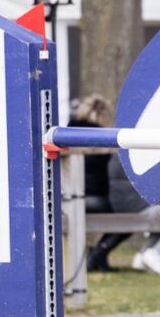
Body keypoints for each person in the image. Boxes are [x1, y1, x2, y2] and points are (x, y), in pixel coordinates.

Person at [68, 95, 123, 272]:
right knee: (127, 214)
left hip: (68, 196)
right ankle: (99, 252)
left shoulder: (68, 131)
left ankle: (97, 255)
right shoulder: (103, 136)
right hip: (96, 198)